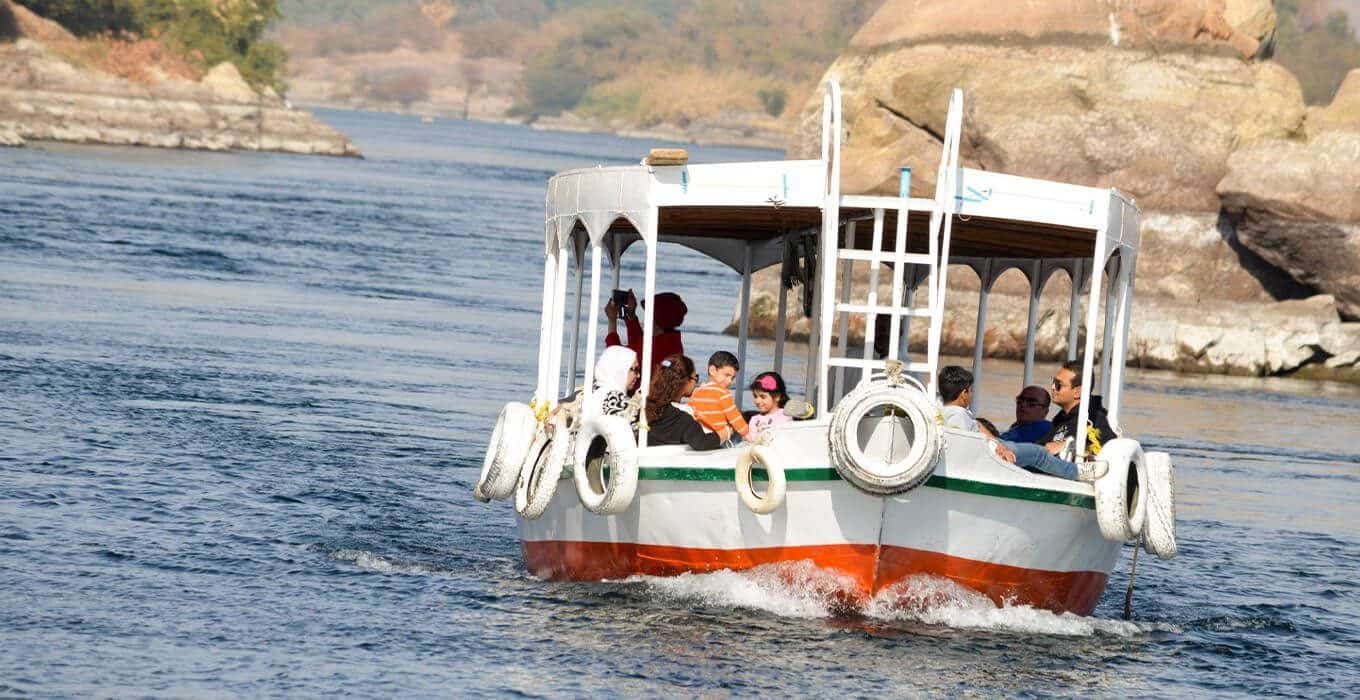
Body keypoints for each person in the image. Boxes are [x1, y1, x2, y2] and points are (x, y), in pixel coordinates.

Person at [938, 366, 1101, 482]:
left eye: (1030, 402)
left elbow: (977, 426)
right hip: (988, 455)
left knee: (1035, 452)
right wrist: (997, 449)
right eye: (1020, 401)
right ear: (964, 393)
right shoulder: (958, 416)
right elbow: (967, 449)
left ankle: (1063, 455)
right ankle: (1077, 472)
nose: (1022, 405)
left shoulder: (944, 411)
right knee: (1037, 453)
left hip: (996, 446)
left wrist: (997, 443)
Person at [1042, 361, 1118, 459]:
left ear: (1078, 392)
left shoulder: (1094, 418)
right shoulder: (1062, 417)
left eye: (1058, 385)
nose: (1053, 387)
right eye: (1053, 382)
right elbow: (1043, 445)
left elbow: (1110, 450)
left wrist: (1072, 446)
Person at [644, 354, 722, 450]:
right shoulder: (681, 417)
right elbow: (701, 442)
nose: (697, 382)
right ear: (685, 381)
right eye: (695, 377)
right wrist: (723, 435)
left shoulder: (647, 405)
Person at [605, 290, 686, 370]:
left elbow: (615, 356)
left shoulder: (657, 346)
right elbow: (637, 345)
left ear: (656, 319)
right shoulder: (670, 341)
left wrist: (612, 320)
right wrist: (631, 316)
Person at [689, 351, 749, 442]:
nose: (730, 381)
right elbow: (734, 417)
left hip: (701, 435)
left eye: (732, 378)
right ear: (712, 370)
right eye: (727, 375)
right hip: (719, 436)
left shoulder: (697, 392)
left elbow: (690, 412)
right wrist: (746, 433)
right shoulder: (723, 393)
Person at [746, 371, 792, 441]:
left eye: (763, 397)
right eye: (755, 396)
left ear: (777, 397)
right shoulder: (754, 420)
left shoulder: (785, 417)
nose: (757, 401)